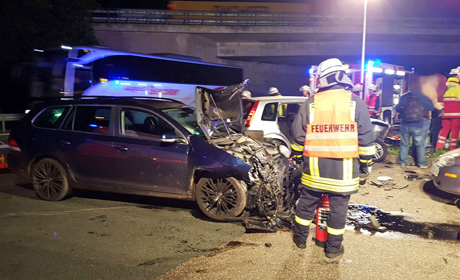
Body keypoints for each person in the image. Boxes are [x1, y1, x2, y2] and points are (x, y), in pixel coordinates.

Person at [290, 58, 375, 259]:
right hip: (344, 171)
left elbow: (297, 135)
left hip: (314, 169)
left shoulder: (311, 102)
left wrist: (297, 156)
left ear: (322, 79)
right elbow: (366, 138)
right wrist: (365, 165)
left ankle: (300, 240)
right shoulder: (355, 102)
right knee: (338, 210)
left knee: (306, 203)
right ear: (342, 76)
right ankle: (333, 249)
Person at [395, 85, 434, 168]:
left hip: (405, 123)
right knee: (420, 145)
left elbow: (397, 108)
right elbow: (431, 107)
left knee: (404, 144)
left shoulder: (404, 97)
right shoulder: (423, 97)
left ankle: (402, 162)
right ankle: (421, 164)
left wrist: (404, 112)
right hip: (419, 124)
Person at [436, 76, 460, 150]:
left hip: (445, 112)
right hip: (456, 113)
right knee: (455, 129)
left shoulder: (444, 86)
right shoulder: (458, 86)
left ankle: (439, 146)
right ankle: (453, 146)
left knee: (445, 128)